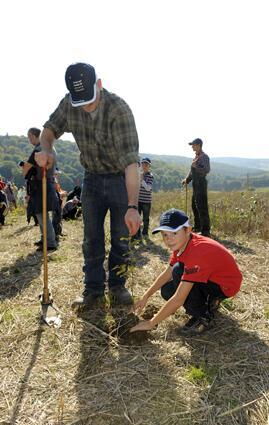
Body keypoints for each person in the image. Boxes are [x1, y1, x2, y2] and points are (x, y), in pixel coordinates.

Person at [35, 62, 141, 307]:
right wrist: (47, 149)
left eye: (90, 100)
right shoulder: (69, 104)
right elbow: (49, 130)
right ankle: (92, 290)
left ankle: (118, 286)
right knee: (91, 238)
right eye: (80, 101)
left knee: (120, 236)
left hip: (119, 179)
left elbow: (130, 164)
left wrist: (133, 206)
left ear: (100, 85)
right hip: (91, 178)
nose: (85, 106)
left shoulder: (119, 109)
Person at [130, 208, 242, 335]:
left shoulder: (197, 251)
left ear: (188, 230)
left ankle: (204, 317)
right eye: (165, 235)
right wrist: (145, 296)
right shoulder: (181, 245)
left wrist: (151, 323)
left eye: (174, 233)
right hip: (211, 279)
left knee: (179, 271)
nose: (169, 239)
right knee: (168, 290)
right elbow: (167, 273)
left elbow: (179, 299)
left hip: (225, 286)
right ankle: (210, 302)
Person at [21, 127, 58, 250]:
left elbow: (27, 167)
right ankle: (45, 239)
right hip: (48, 183)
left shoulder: (39, 149)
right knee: (41, 213)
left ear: (34, 135)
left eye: (29, 136)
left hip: (41, 184)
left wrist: (24, 172)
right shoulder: (51, 148)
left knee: (41, 214)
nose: (29, 139)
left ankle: (50, 242)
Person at [182, 138, 211, 237]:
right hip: (196, 184)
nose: (192, 146)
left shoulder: (204, 157)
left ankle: (205, 231)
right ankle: (198, 227)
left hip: (201, 184)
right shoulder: (196, 157)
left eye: (193, 145)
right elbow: (192, 171)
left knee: (202, 207)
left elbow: (206, 170)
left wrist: (196, 167)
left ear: (198, 145)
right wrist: (187, 179)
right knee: (195, 206)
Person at [134, 157, 154, 239]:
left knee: (145, 218)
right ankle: (137, 234)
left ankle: (145, 233)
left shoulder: (150, 176)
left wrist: (141, 179)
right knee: (137, 218)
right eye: (143, 164)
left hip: (146, 201)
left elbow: (148, 188)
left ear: (149, 166)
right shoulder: (138, 174)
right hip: (138, 200)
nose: (144, 165)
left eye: (146, 164)